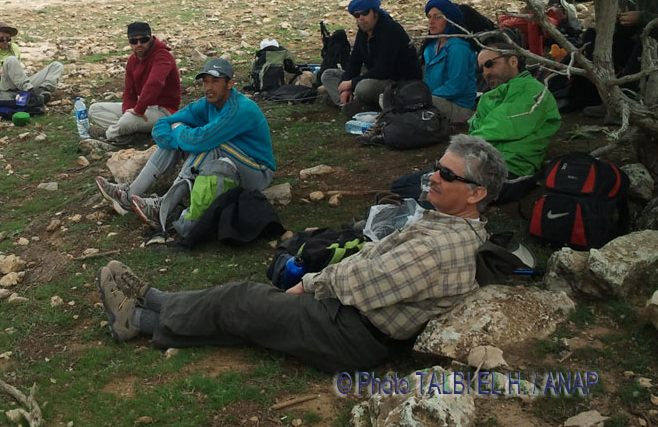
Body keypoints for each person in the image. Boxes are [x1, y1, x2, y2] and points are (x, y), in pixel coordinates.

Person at [96, 134, 504, 373]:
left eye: (447, 175)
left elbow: (370, 283)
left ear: (476, 193)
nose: (433, 177)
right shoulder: (446, 227)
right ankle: (145, 319)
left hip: (351, 330)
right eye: (437, 166)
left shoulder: (442, 245)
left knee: (244, 300)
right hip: (353, 324)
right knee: (249, 320)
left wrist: (312, 284)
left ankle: (150, 304)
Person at [94, 58, 275, 236]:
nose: (209, 87)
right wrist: (179, 139)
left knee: (208, 145)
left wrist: (180, 131)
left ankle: (163, 206)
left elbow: (200, 141)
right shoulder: (207, 104)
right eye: (205, 81)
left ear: (230, 84)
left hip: (257, 171)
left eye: (216, 81)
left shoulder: (240, 109)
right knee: (178, 142)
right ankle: (129, 195)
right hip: (227, 165)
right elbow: (163, 124)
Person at [393, 43, 561, 203]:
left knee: (431, 195)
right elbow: (477, 127)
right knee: (402, 185)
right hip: (476, 164)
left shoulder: (531, 90)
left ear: (513, 61)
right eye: (482, 68)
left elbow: (497, 128)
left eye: (490, 64)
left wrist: (455, 155)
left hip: (507, 172)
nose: (486, 72)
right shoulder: (491, 96)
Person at [583, 0, 658, 119]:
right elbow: (633, 19)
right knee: (592, 38)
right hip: (644, 42)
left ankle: (625, 104)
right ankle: (600, 96)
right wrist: (620, 20)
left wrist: (641, 18)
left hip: (652, 46)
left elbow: (644, 21)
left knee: (646, 41)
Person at [321, 0, 422, 112]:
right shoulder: (363, 32)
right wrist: (346, 87)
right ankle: (348, 104)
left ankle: (359, 105)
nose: (361, 18)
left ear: (375, 12)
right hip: (375, 78)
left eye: (365, 13)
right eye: (357, 15)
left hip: (398, 82)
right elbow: (354, 63)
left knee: (363, 87)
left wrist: (351, 83)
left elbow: (383, 69)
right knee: (328, 75)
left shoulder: (390, 30)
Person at [87, 22, 180, 145]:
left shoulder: (163, 57)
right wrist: (128, 110)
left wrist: (139, 110)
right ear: (129, 42)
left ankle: (108, 134)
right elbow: (129, 92)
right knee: (95, 109)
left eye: (143, 39)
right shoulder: (132, 60)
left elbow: (154, 84)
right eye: (134, 41)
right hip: (142, 107)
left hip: (163, 111)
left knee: (128, 120)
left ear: (151, 38)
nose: (139, 44)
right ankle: (130, 131)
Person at [0, 21, 63, 102]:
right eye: (1, 39)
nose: (5, 42)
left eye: (8, 39)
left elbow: (18, 71)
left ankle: (43, 92)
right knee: (11, 60)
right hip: (5, 88)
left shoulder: (14, 48)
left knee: (57, 65)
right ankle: (31, 94)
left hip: (23, 83)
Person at [422, 0, 477, 122]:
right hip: (434, 100)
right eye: (429, 17)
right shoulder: (431, 47)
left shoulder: (458, 48)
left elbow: (455, 86)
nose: (431, 22)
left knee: (413, 106)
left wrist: (425, 98)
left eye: (437, 17)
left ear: (450, 20)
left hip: (459, 107)